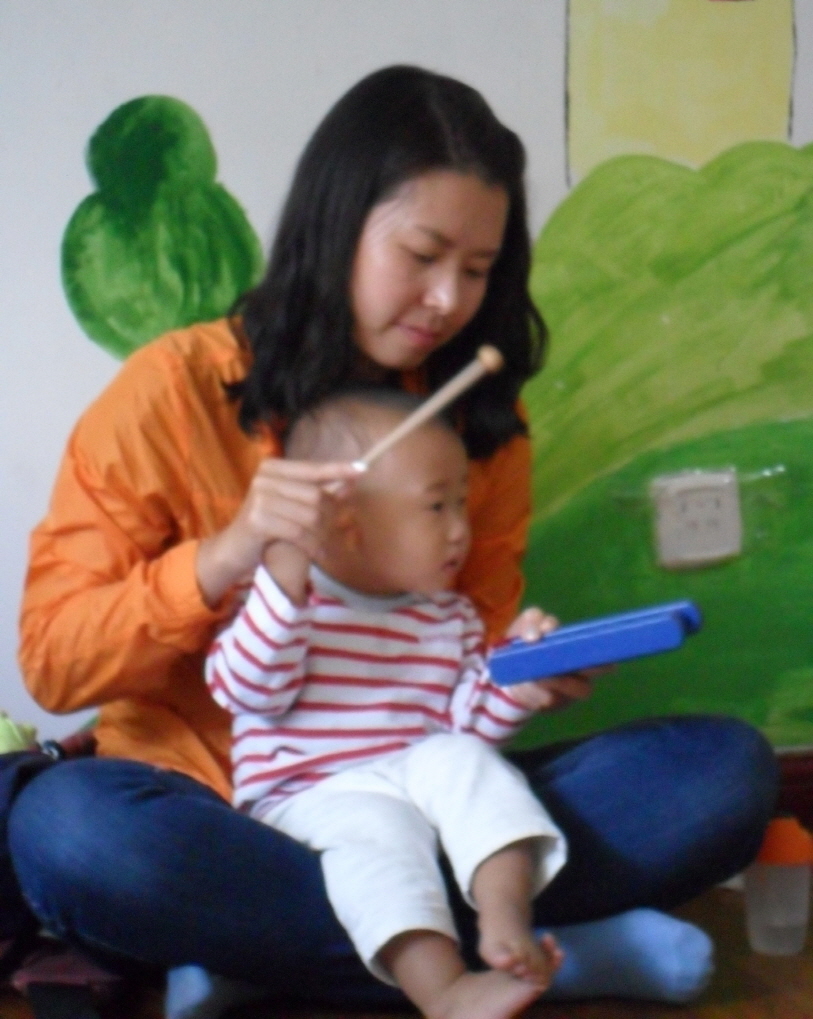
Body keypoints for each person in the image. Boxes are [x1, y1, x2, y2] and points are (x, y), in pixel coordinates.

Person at [12, 66, 776, 1010]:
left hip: (416, 783)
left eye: (477, 269)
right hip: (212, 809)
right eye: (422, 254)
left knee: (722, 774)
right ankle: (551, 953)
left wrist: (523, 674)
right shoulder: (172, 390)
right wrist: (227, 554)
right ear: (337, 224)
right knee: (69, 833)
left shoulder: (479, 423)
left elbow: (459, 680)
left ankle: (266, 958)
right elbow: (53, 664)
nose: (447, 298)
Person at [200, 390, 566, 1019]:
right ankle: (445, 991)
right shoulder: (284, 602)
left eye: (462, 504)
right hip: (312, 793)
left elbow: (467, 730)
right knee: (377, 831)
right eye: (437, 506)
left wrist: (520, 680)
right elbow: (247, 688)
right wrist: (283, 579)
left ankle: (505, 921)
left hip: (417, 782)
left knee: (470, 764)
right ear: (346, 522)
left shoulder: (447, 615)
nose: (461, 529)